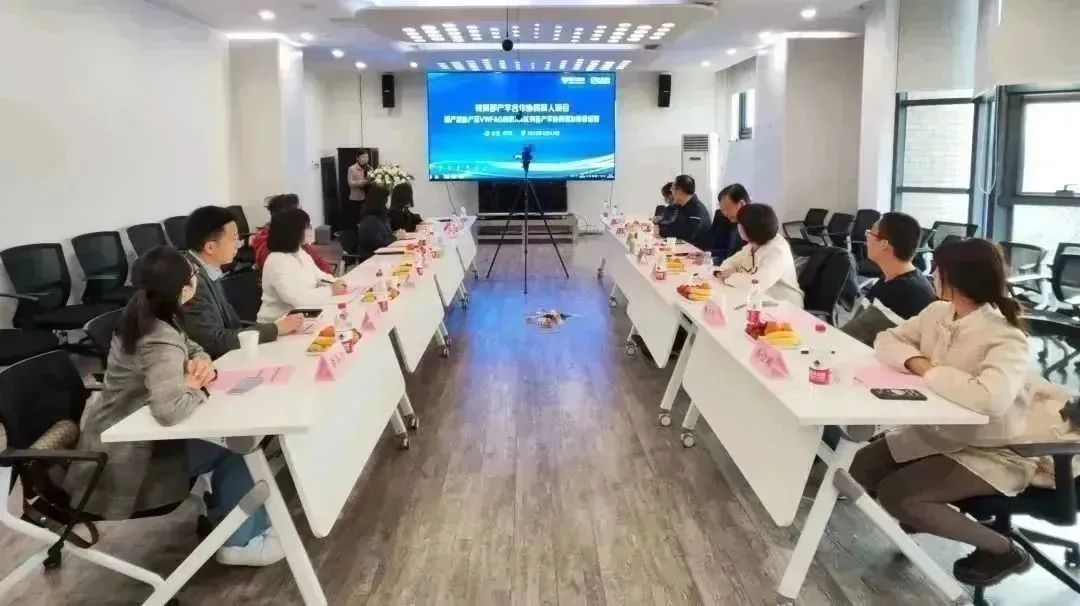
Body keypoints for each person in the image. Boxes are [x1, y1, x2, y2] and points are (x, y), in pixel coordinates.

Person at [850, 238, 1080, 588]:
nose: (931, 275)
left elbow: (990, 399)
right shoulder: (938, 313)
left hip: (996, 448)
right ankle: (927, 514)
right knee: (862, 466)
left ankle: (1004, 551)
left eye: (937, 270)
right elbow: (888, 339)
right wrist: (920, 362)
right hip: (942, 431)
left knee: (900, 496)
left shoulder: (1005, 336)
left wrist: (930, 372)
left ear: (954, 279)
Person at [64, 246, 283, 566]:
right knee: (239, 447)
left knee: (233, 441)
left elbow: (191, 347)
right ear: (183, 288)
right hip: (128, 457)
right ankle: (240, 542)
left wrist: (201, 362)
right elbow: (170, 410)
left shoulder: (145, 313)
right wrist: (197, 387)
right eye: (192, 274)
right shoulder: (158, 337)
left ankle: (234, 520)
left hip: (121, 433)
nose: (196, 277)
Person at [179, 206, 300, 358]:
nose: (239, 245)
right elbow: (213, 342)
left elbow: (232, 326)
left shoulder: (208, 270)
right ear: (210, 247)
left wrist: (273, 328)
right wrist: (275, 329)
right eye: (234, 239)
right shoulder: (190, 282)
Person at [842, 212, 937, 345]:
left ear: (883, 244)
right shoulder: (897, 278)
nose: (866, 239)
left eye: (870, 234)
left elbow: (850, 340)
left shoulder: (901, 293)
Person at [258, 208, 347, 322]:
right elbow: (297, 298)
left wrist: (335, 282)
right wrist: (330, 290)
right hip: (277, 324)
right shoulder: (276, 261)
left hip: (303, 316)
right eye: (306, 227)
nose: (310, 230)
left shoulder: (299, 252)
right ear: (293, 231)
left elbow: (319, 276)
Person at [716, 203, 803, 307]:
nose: (737, 226)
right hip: (757, 301)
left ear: (749, 229)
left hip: (785, 307)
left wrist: (731, 275)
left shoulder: (778, 251)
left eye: (739, 224)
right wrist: (731, 274)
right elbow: (728, 264)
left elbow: (756, 285)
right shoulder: (754, 243)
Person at [250, 194, 334, 273]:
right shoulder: (269, 249)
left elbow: (317, 260)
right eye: (298, 210)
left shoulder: (295, 236)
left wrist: (328, 275)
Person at [659, 174, 712, 251]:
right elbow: (675, 226)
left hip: (697, 252)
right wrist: (660, 227)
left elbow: (688, 235)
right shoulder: (683, 205)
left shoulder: (696, 209)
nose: (671, 190)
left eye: (672, 188)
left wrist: (662, 231)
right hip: (685, 249)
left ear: (680, 193)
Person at [353, 185, 396, 263]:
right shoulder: (370, 220)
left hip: (381, 257)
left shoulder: (379, 217)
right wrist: (395, 237)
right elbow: (381, 243)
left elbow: (386, 237)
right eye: (386, 200)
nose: (387, 203)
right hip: (373, 260)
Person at [713, 183, 751, 262]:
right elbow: (730, 254)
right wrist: (708, 257)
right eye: (722, 210)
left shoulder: (756, 229)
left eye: (726, 209)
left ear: (741, 204)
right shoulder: (736, 224)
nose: (725, 214)